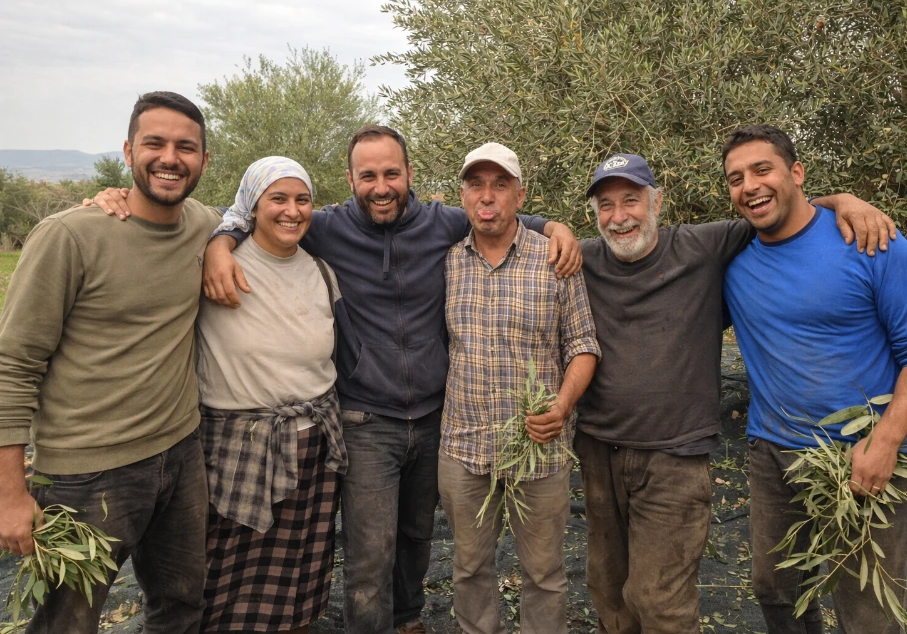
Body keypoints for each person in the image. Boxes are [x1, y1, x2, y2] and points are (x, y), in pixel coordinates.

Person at [91, 125, 584, 634]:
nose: (381, 185)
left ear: (409, 175)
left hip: (437, 417)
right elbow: (253, 209)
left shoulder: (444, 224)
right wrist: (220, 241)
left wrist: (554, 227)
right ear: (350, 179)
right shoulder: (326, 227)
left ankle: (409, 617)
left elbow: (497, 213)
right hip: (366, 418)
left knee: (417, 535)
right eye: (367, 175)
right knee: (369, 550)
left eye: (392, 173)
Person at [575, 152, 898, 634]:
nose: (619, 217)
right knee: (606, 585)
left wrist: (844, 201)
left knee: (658, 598)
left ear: (657, 202)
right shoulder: (581, 258)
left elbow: (782, 206)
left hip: (674, 455)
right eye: (605, 205)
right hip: (599, 449)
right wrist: (549, 227)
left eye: (631, 200)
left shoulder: (704, 245)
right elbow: (510, 227)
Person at [721, 124, 907, 634]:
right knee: (777, 590)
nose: (750, 186)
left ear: (797, 172)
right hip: (774, 456)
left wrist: (887, 439)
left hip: (867, 455)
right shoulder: (732, 259)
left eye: (763, 169)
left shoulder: (870, 240)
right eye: (736, 178)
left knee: (869, 612)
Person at [0, 91, 220, 632]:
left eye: (185, 147)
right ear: (128, 150)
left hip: (181, 454)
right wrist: (10, 493)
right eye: (155, 143)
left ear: (204, 161)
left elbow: (262, 215)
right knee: (66, 622)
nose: (170, 157)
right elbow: (13, 365)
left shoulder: (205, 225)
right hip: (85, 474)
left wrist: (222, 243)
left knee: (183, 603)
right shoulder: (70, 236)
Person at [439, 143, 601, 634]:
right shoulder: (445, 262)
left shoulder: (555, 259)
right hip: (463, 445)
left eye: (500, 185)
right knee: (469, 570)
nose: (487, 197)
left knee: (545, 574)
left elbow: (582, 342)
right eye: (476, 185)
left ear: (520, 194)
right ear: (463, 195)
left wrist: (563, 403)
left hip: (540, 448)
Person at [195, 157, 347, 632]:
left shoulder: (321, 270)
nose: (291, 210)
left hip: (315, 443)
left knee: (303, 568)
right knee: (227, 575)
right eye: (277, 199)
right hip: (241, 446)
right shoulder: (213, 264)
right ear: (251, 206)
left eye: (302, 199)